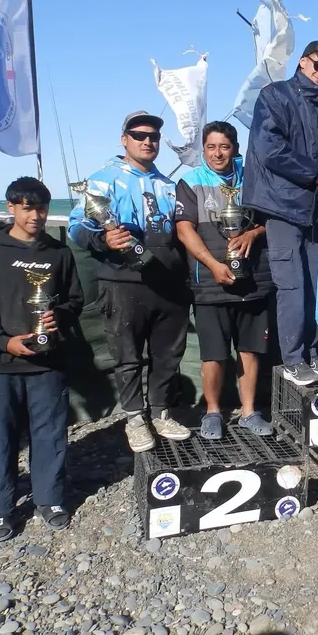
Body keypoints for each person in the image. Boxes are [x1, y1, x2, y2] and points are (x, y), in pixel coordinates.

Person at [0, 177, 84, 541]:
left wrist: (57, 317)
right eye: (27, 207)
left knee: (50, 435)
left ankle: (51, 499)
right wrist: (4, 342)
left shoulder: (59, 253)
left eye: (42, 207)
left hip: (48, 363)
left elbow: (75, 301)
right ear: (10, 208)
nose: (36, 215)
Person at [69, 111, 191, 452]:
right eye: (139, 135)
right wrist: (103, 241)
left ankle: (162, 411)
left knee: (169, 353)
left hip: (168, 281)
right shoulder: (102, 180)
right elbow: (77, 227)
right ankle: (135, 418)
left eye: (153, 136)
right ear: (124, 139)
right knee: (128, 354)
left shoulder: (168, 184)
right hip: (123, 280)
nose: (147, 141)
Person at [242, 40, 318, 386]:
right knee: (292, 286)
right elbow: (268, 148)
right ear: (302, 62)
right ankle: (293, 359)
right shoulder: (275, 96)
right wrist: (315, 175)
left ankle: (314, 354)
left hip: (316, 213)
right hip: (282, 209)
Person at [175, 121, 275, 439]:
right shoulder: (190, 181)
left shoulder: (254, 178)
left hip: (254, 281)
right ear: (203, 149)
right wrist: (212, 264)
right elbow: (184, 229)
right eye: (211, 147)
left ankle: (249, 412)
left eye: (225, 146)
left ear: (235, 148)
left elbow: (272, 219)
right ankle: (213, 412)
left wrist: (253, 233)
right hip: (211, 284)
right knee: (214, 354)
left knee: (250, 351)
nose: (218, 153)